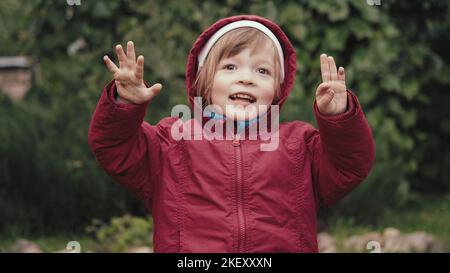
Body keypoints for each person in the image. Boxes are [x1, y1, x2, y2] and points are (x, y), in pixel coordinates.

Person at [88, 15, 375, 252]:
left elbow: (348, 166)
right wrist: (125, 104)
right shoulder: (171, 141)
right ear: (204, 81)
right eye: (230, 66)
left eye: (262, 71)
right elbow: (114, 149)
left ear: (278, 89)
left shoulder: (299, 144)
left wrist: (338, 117)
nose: (246, 77)